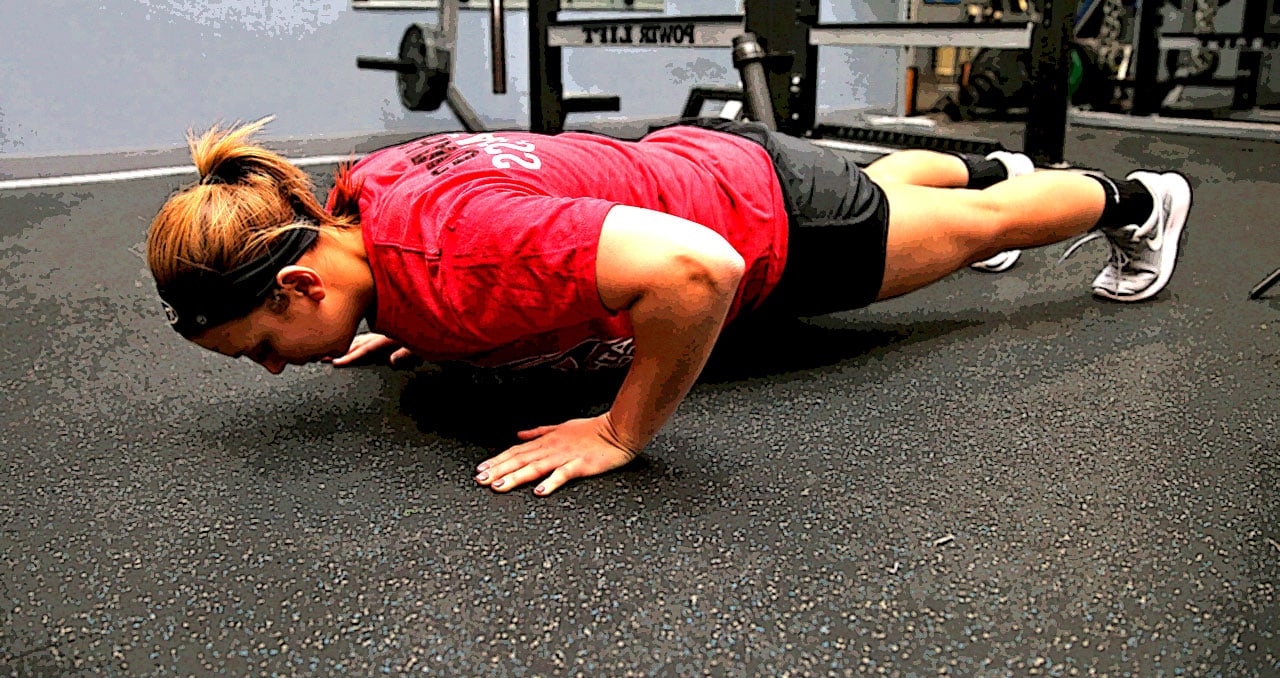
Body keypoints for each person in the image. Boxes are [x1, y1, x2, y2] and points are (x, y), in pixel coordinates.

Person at [146, 116, 1191, 497]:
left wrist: (619, 429)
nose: (276, 368)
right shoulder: (359, 202)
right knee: (885, 190)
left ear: (298, 283)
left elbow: (697, 273)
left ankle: (1134, 200)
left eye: (263, 348)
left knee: (987, 232)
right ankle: (980, 168)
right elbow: (471, 223)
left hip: (772, 229)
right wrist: (397, 314)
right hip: (711, 158)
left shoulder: (448, 245)